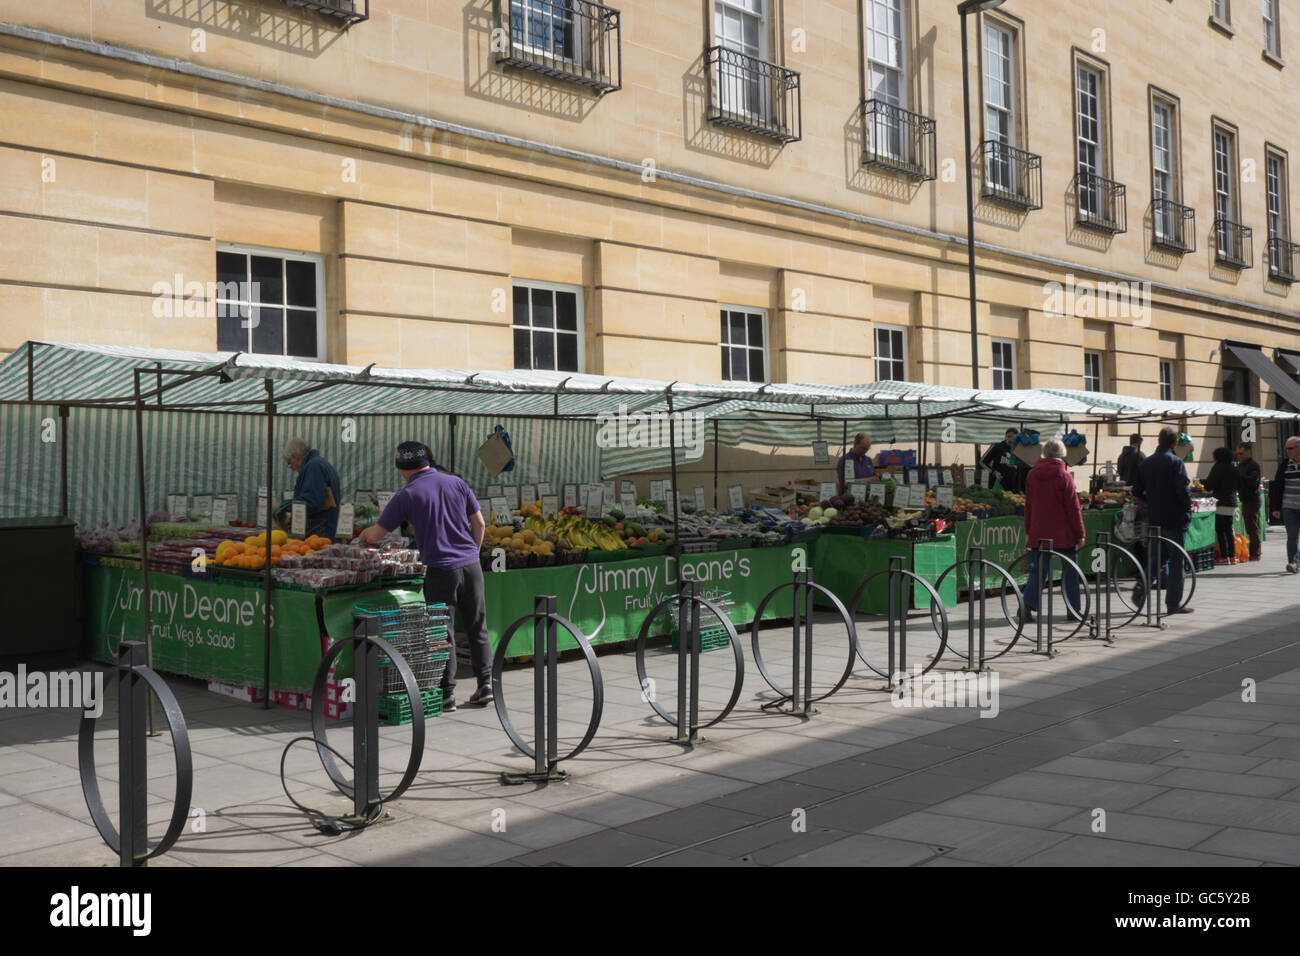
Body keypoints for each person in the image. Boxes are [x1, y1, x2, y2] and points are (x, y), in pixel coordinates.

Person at [359, 442, 491, 710]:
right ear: (427, 461)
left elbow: (375, 536)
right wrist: (472, 554)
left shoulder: (407, 494)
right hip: (471, 566)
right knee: (478, 626)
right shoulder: (456, 483)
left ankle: (447, 694)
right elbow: (479, 523)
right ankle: (486, 684)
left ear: (401, 469)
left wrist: (361, 536)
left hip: (442, 570)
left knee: (443, 632)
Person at [1018, 438, 1086, 625]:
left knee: (1038, 571)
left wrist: (1029, 530)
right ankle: (1073, 609)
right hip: (1063, 533)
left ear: (1045, 453)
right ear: (1062, 454)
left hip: (1039, 531)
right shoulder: (1064, 476)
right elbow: (1074, 508)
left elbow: (1029, 506)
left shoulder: (1032, 475)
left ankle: (1026, 606)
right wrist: (1080, 533)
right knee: (1070, 570)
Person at [1132, 426, 1194, 614]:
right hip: (1174, 518)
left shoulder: (1147, 463)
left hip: (1155, 517)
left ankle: (1141, 587)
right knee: (1177, 561)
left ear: (1159, 441)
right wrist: (1187, 508)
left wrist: (1151, 499)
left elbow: (1136, 490)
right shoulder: (1176, 462)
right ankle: (1173, 603)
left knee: (1155, 559)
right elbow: (1182, 490)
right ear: (1175, 443)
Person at [281, 437, 342, 540]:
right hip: (326, 529)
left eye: (290, 464)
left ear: (295, 457)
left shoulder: (314, 466)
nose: (293, 469)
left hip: (321, 532)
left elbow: (311, 501)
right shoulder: (320, 463)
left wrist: (283, 505)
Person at [1202, 447, 1240, 565]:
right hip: (1232, 502)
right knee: (1229, 529)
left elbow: (1209, 485)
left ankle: (1224, 556)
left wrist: (1205, 485)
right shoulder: (1233, 468)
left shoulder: (1217, 468)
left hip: (1221, 502)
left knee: (1220, 530)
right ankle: (1232, 556)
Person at [1268, 435, 1300, 574]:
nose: (1288, 451)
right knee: (1292, 535)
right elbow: (1277, 487)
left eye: (1290, 448)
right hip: (1289, 507)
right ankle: (1293, 562)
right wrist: (1275, 507)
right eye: (1286, 448)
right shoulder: (1285, 465)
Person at [1237, 442, 1263, 561]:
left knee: (1252, 527)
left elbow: (1254, 482)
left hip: (1252, 499)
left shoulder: (1253, 465)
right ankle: (1254, 552)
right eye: (1238, 454)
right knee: (1249, 526)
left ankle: (1255, 553)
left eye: (1242, 453)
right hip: (1245, 499)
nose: (1239, 456)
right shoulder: (1241, 465)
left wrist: (1241, 476)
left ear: (1248, 452)